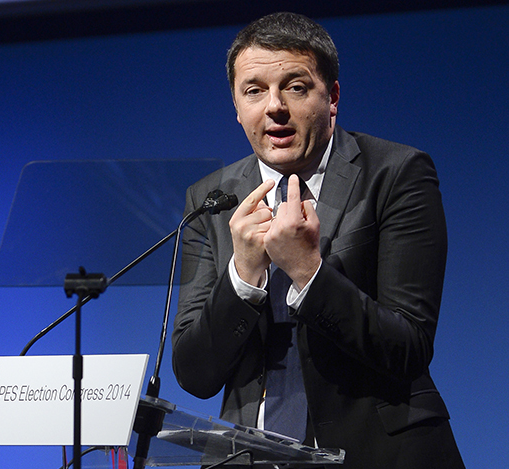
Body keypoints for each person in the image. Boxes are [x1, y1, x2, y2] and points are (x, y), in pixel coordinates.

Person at [171, 12, 464, 469]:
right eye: (254, 91)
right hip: (252, 457)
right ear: (236, 106)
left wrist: (307, 272)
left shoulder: (395, 174)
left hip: (380, 452)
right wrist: (243, 276)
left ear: (333, 97)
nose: (274, 107)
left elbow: (408, 346)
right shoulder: (211, 199)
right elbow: (194, 373)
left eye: (295, 86)